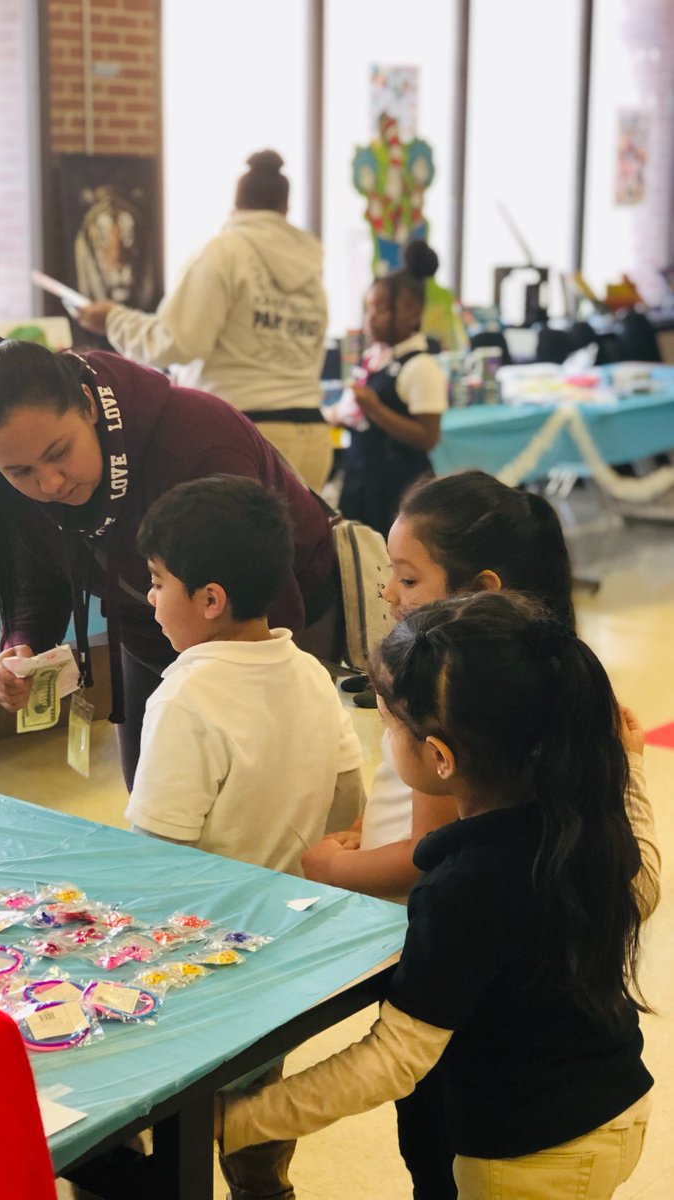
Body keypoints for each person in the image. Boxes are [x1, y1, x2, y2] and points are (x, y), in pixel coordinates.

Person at [219, 590, 659, 1200]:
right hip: (614, 1110)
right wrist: (629, 769)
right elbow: (642, 886)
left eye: (388, 719)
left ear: (440, 757)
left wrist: (236, 1120)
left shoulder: (466, 888)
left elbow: (395, 1058)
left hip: (530, 1155)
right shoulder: (577, 819)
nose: (382, 729)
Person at [304, 469, 580, 1200]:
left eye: (405, 576)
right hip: (501, 986)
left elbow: (426, 861)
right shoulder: (541, 675)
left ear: (478, 587)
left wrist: (327, 867)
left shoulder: (452, 710)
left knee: (437, 1150)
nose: (388, 593)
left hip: (443, 973)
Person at [0, 337, 338, 790]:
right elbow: (39, 582)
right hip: (149, 626)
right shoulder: (19, 476)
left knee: (260, 797)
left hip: (269, 626)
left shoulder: (195, 444)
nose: (50, 482)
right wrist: (20, 648)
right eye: (19, 472)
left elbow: (268, 606)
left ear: (88, 404)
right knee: (154, 797)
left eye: (59, 452)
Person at [126, 475, 364, 876]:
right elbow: (347, 801)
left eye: (157, 581)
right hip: (302, 903)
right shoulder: (311, 671)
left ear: (210, 600)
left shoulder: (183, 699)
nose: (150, 596)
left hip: (216, 923)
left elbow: (156, 852)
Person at [75, 150, 333, 492]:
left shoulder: (225, 253)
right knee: (300, 546)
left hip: (246, 434)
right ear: (286, 209)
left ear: (236, 205)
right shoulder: (311, 272)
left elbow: (177, 342)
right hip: (313, 434)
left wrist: (113, 320)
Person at [334, 240, 448, 538]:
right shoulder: (377, 359)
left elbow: (427, 436)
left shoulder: (421, 366)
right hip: (363, 477)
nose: (371, 318)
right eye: (368, 309)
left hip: (396, 488)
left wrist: (375, 409)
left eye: (381, 309)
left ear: (412, 311)